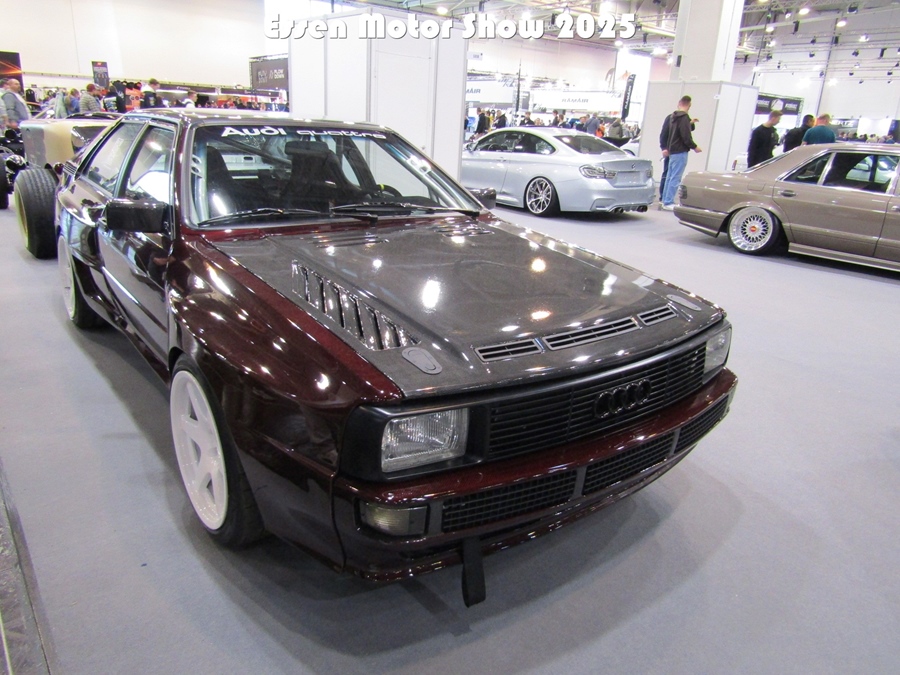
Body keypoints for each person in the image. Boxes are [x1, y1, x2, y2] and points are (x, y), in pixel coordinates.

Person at [661, 95, 702, 211]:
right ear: (690, 105)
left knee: (670, 177)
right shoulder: (684, 118)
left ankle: (665, 200)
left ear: (679, 103)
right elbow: (686, 136)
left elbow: (667, 133)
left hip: (672, 150)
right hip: (680, 150)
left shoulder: (673, 117)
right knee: (676, 177)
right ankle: (668, 202)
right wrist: (695, 147)